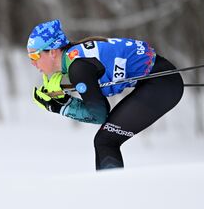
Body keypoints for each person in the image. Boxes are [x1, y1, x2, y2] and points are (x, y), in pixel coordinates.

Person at [28, 19, 184, 170]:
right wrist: (63, 100)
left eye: (35, 56)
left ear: (53, 52)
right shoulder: (74, 58)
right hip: (160, 79)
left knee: (106, 141)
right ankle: (110, 190)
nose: (32, 63)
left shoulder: (78, 67)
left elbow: (99, 114)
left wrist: (61, 107)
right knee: (105, 140)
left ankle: (111, 192)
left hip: (163, 83)